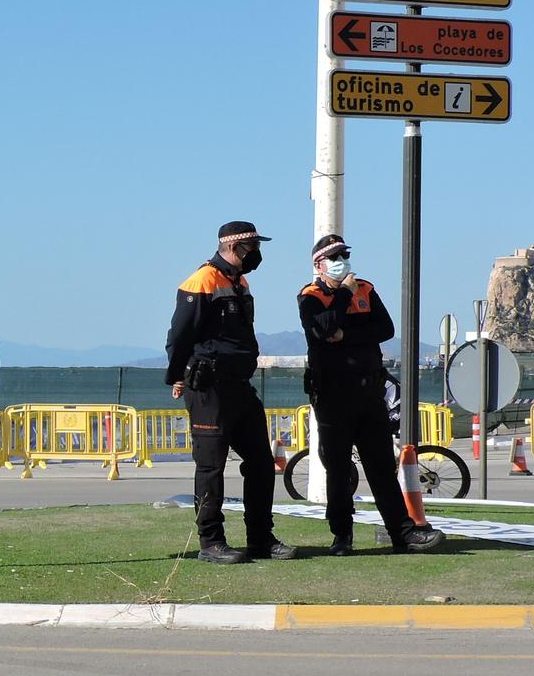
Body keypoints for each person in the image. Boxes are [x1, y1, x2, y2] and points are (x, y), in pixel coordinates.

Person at [296, 235, 445, 555]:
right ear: (319, 265)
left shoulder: (366, 288)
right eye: (334, 257)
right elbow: (322, 330)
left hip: (370, 392)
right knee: (337, 471)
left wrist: (345, 335)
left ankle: (403, 533)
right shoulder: (311, 296)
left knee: (381, 468)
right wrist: (342, 296)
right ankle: (342, 537)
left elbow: (385, 329)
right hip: (333, 397)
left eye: (345, 255)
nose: (342, 261)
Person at [164, 220, 293, 564]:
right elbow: (179, 336)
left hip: (239, 387)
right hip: (209, 389)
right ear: (235, 248)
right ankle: (211, 542)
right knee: (211, 469)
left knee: (262, 464)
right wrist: (176, 375)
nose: (258, 254)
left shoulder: (240, 282)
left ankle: (261, 539)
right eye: (254, 247)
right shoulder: (202, 280)